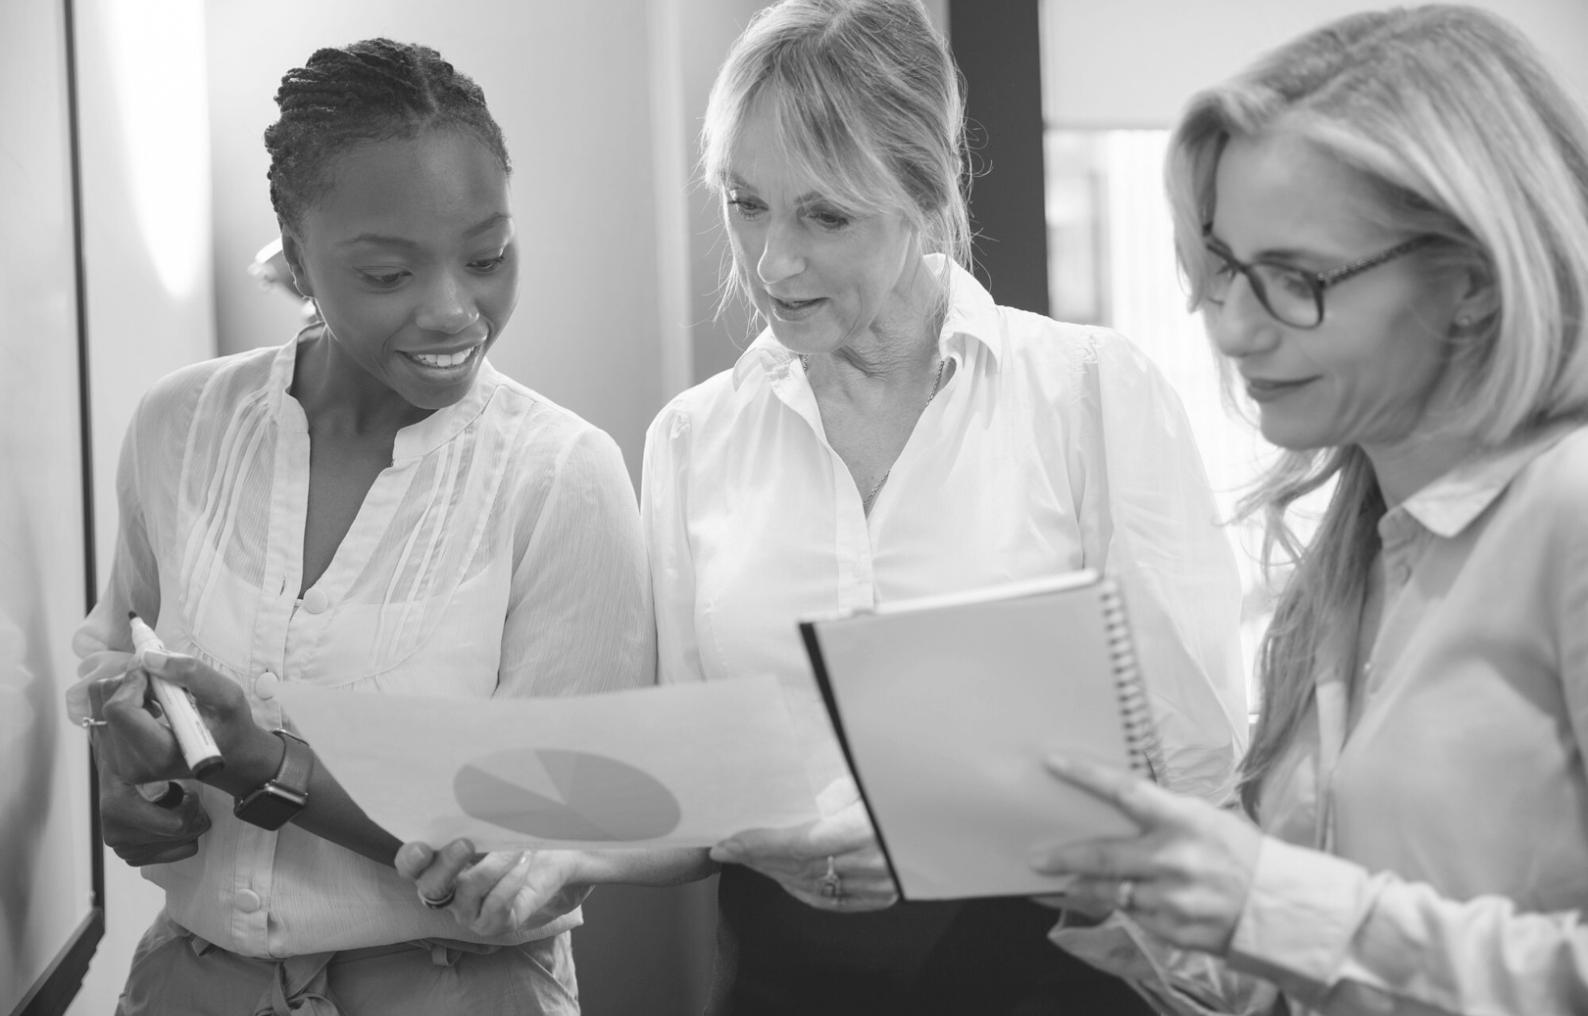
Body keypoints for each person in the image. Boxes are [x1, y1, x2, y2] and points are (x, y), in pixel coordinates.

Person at [637, 0, 1249, 1011]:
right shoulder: (692, 438)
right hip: (783, 980)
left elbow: (1193, 759)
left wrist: (947, 826)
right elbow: (690, 786)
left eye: (824, 214)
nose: (772, 260)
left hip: (1048, 972)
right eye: (745, 201)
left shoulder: (1087, 391)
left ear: (924, 193)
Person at [73, 38, 655, 1015]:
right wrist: (126, 750)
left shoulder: (563, 475)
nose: (452, 309)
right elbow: (111, 644)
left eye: (485, 255)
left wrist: (272, 768)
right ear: (298, 257)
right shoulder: (181, 423)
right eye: (388, 272)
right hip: (187, 985)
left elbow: (547, 862)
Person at [1027, 7, 1588, 1015]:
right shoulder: (1342, 563)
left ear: (1469, 280)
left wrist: (1267, 896)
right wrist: (1139, 892)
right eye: (1227, 271)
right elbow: (1307, 978)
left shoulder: (1569, 511)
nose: (1235, 329)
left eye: (1294, 279)